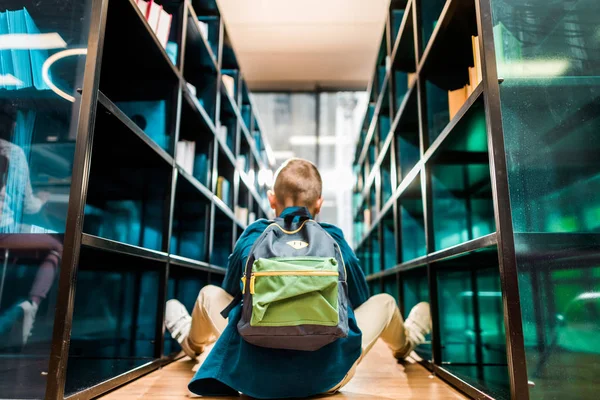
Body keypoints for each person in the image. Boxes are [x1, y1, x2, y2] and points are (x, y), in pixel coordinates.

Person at [165, 158, 431, 398]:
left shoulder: (254, 234)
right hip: (327, 378)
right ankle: (406, 344)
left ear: (272, 200)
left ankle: (191, 343)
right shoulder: (334, 238)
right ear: (319, 203)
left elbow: (231, 299)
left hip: (253, 377)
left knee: (209, 294)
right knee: (384, 302)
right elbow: (360, 302)